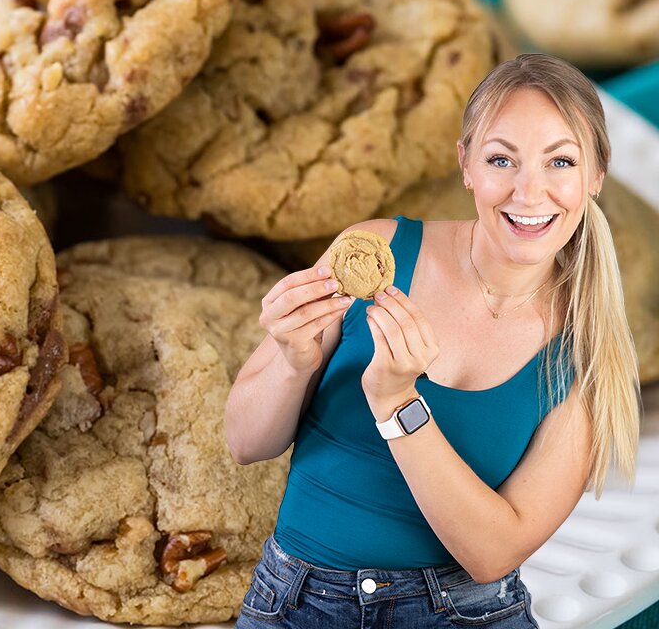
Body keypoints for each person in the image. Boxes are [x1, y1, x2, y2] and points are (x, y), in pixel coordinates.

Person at [224, 53, 641, 628]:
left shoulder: (588, 355)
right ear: (466, 165)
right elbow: (244, 442)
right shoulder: (377, 251)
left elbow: (493, 552)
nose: (529, 191)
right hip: (297, 601)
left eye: (560, 162)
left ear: (596, 174)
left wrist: (398, 406)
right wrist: (292, 364)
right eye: (502, 159)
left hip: (465, 614)